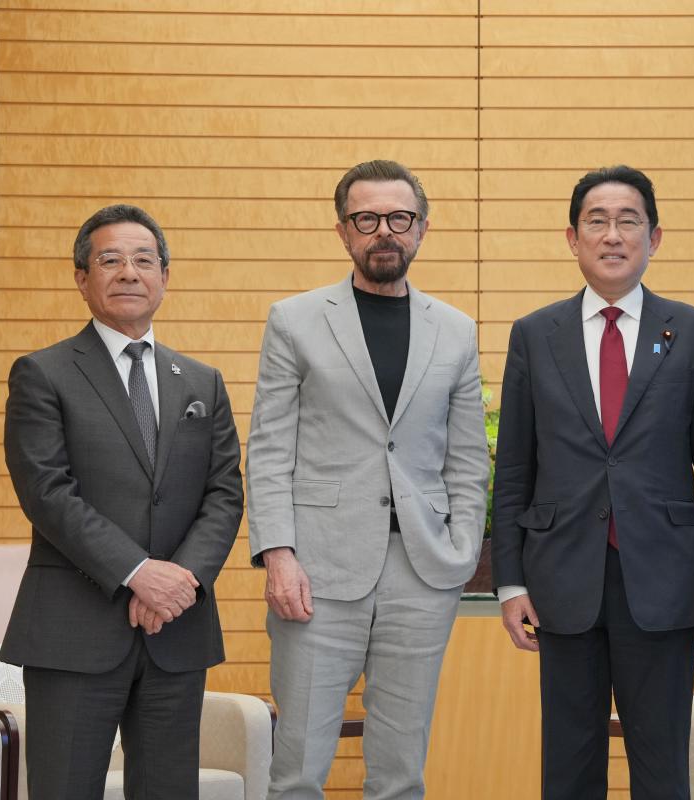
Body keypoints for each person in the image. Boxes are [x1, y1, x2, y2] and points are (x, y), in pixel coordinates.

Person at [490, 166, 694, 799]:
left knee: (660, 766)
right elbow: (515, 467)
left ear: (655, 237)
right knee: (569, 768)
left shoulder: (693, 332)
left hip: (663, 578)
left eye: (628, 220)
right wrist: (510, 580)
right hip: (561, 578)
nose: (612, 235)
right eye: (595, 221)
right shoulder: (533, 335)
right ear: (571, 238)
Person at [247, 160, 489, 799]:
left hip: (421, 570)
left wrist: (461, 549)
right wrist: (279, 554)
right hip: (316, 572)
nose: (385, 231)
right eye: (367, 219)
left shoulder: (456, 331)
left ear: (422, 228)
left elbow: (467, 459)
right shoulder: (294, 320)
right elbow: (270, 449)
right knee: (298, 768)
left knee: (401, 772)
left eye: (399, 218)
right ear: (343, 230)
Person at [0, 204, 244, 799]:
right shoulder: (43, 373)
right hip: (73, 631)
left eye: (144, 259)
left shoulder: (201, 382)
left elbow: (225, 491)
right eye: (110, 259)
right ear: (82, 278)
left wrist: (178, 581)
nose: (129, 272)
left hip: (176, 632)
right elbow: (47, 492)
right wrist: (139, 574)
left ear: (165, 275)